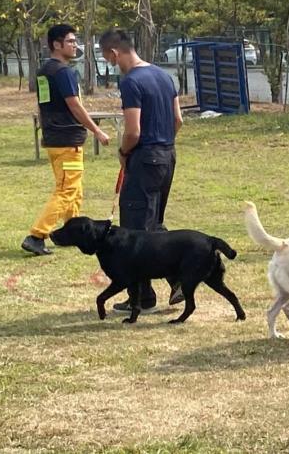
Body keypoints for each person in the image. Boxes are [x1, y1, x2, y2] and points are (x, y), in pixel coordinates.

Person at [98, 29, 184, 312]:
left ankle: (143, 297)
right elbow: (178, 120)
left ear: (114, 52)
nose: (111, 64)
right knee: (153, 223)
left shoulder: (131, 82)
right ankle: (178, 278)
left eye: (108, 58)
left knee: (135, 232)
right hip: (167, 156)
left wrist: (124, 153)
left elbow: (132, 131)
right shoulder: (163, 75)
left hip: (145, 159)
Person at [22, 24, 109, 256]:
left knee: (74, 188)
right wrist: (96, 131)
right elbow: (74, 105)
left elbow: (45, 104)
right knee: (66, 190)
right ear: (56, 44)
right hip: (67, 140)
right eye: (70, 41)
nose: (75, 45)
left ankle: (74, 231)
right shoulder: (62, 72)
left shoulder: (44, 71)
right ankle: (36, 235)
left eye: (75, 41)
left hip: (55, 138)